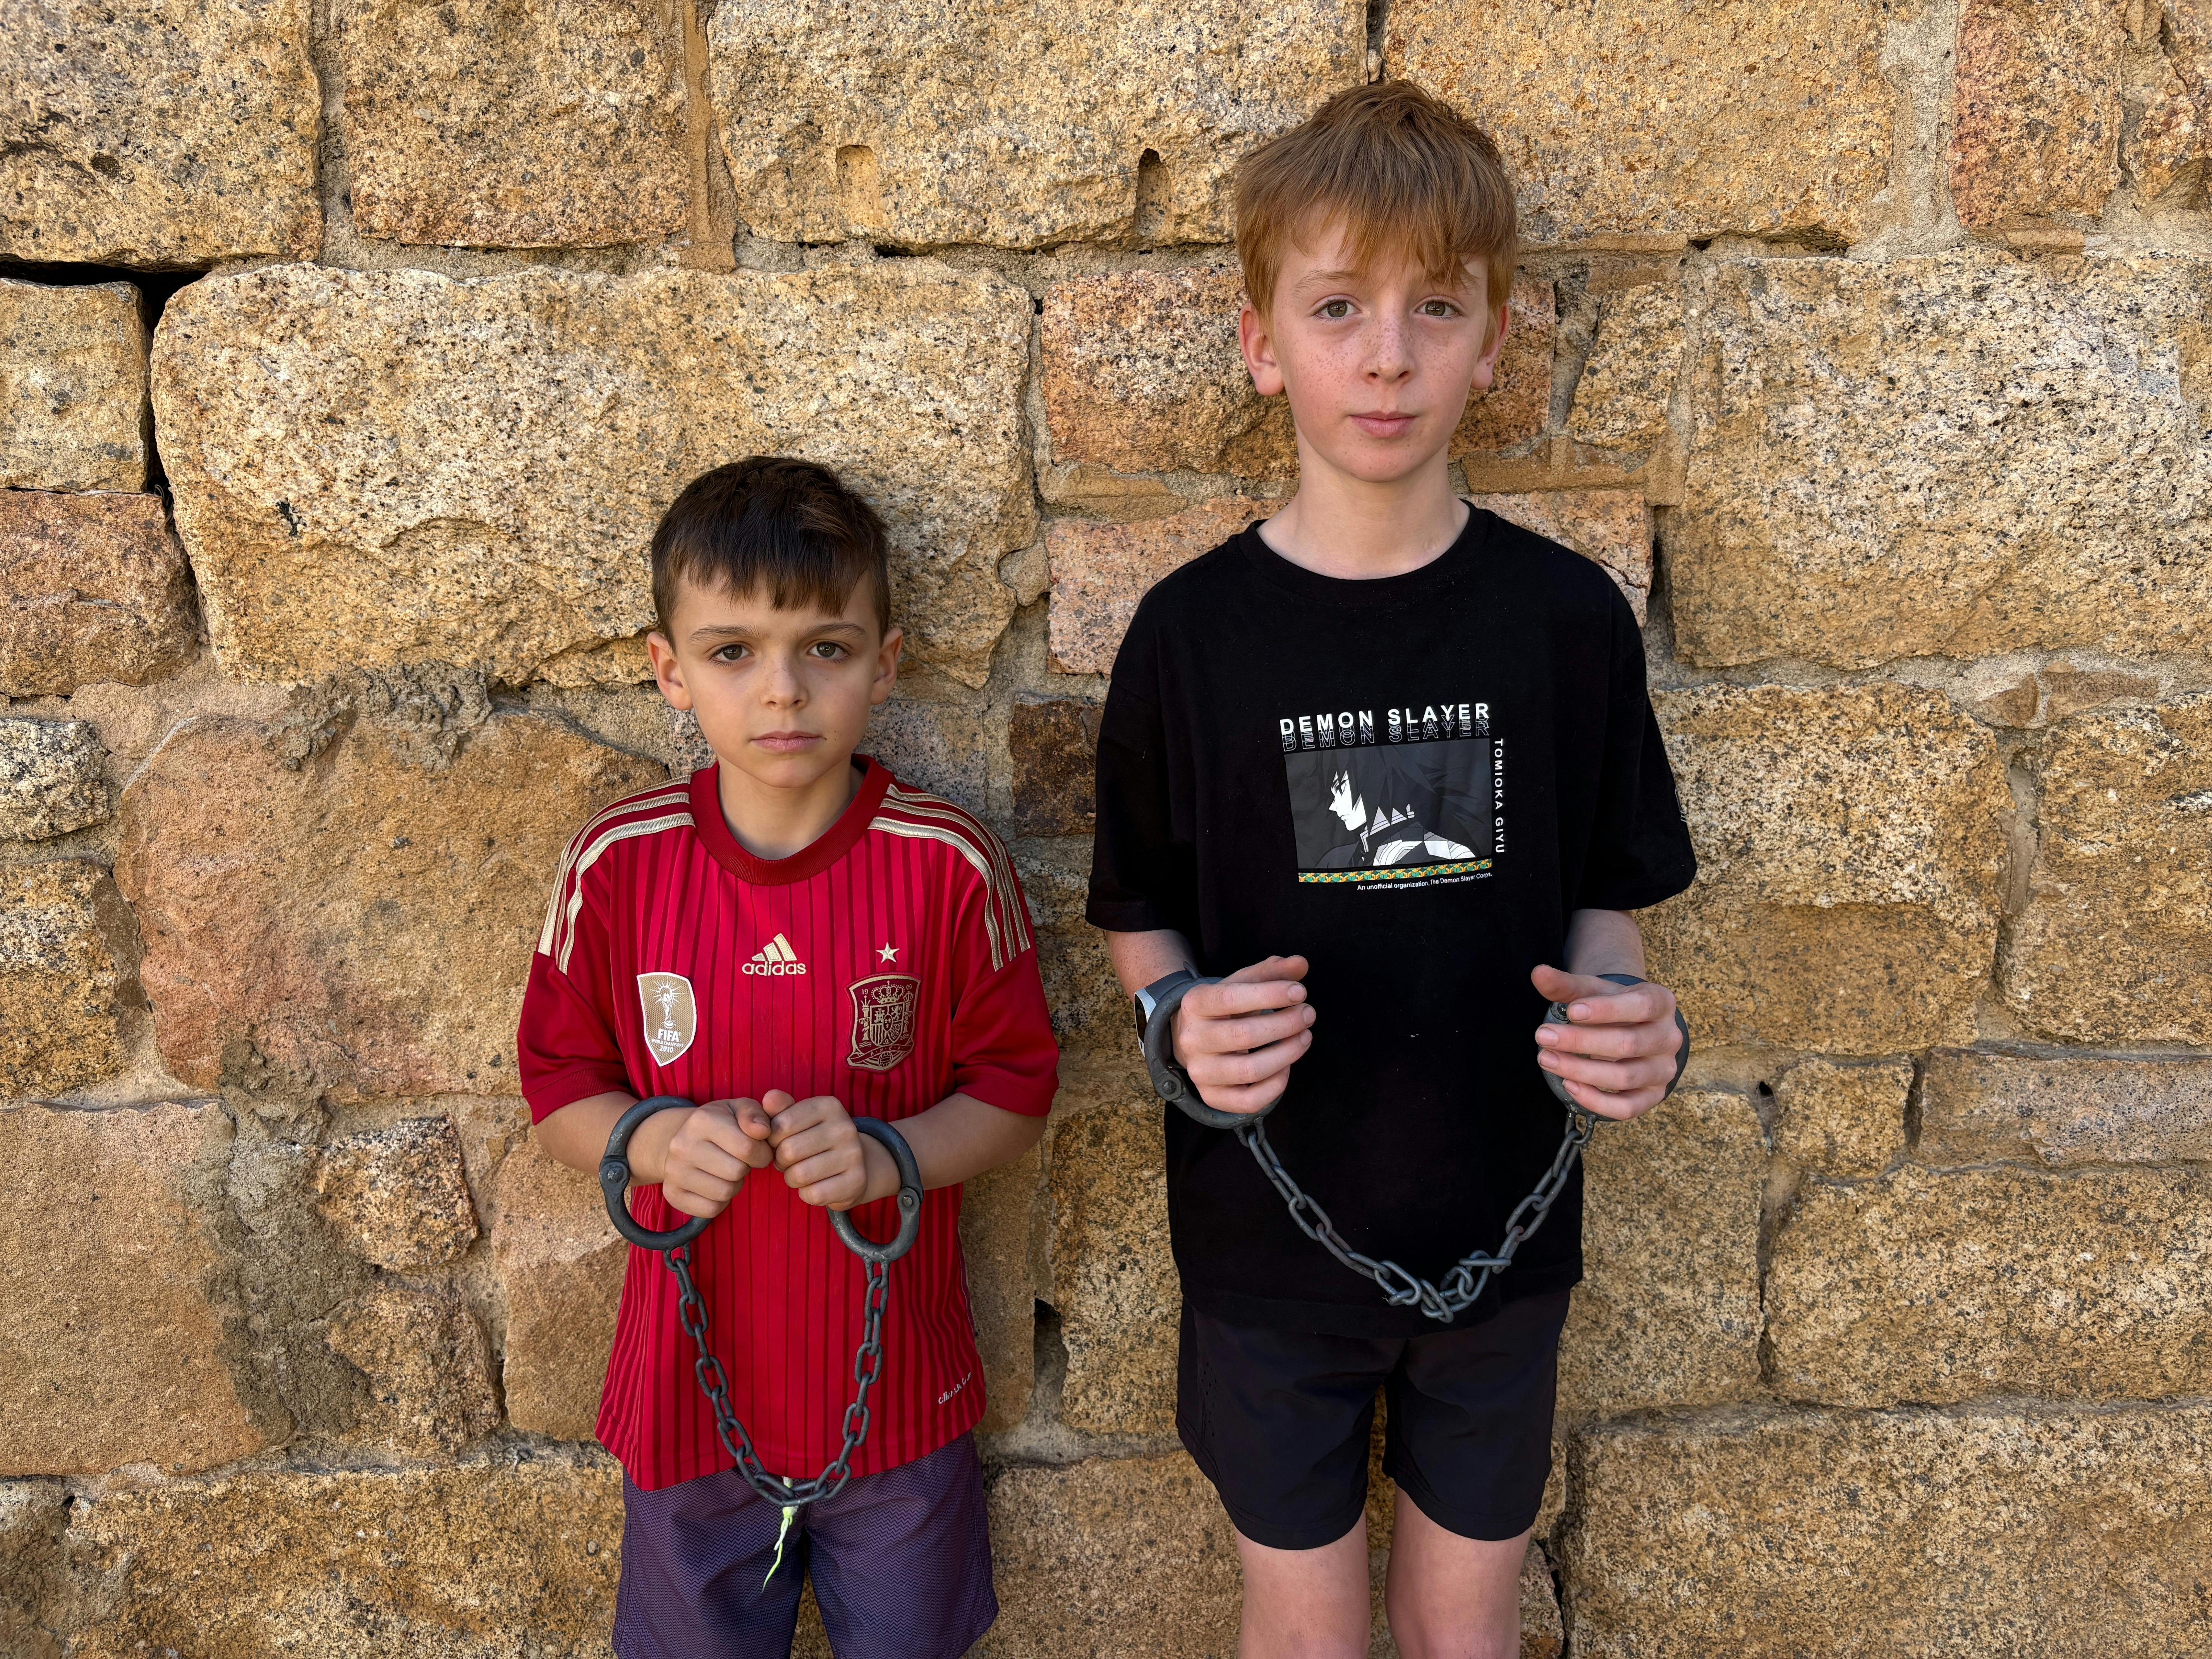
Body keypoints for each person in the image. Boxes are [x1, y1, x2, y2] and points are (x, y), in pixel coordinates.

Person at [1087, 82, 1697, 1659]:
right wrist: (1178, 1028)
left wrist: (1632, 1022)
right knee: (1302, 1623)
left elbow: (1604, 911)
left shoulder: (1566, 624)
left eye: (1438, 308)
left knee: (1464, 1623)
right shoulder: (1189, 637)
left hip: (1500, 1225)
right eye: (1340, 306)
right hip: (1267, 1250)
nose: (1387, 354)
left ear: (1495, 338)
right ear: (1259, 337)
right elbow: (1139, 914)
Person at [519, 458, 1057, 1659]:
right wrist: (652, 1138)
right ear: (669, 671)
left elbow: (1019, 1088)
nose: (784, 692)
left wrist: (888, 1154)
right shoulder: (620, 864)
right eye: (732, 652)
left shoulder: (946, 865)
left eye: (825, 648)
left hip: (894, 1404)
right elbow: (557, 1083)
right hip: (686, 1405)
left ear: (887, 660)